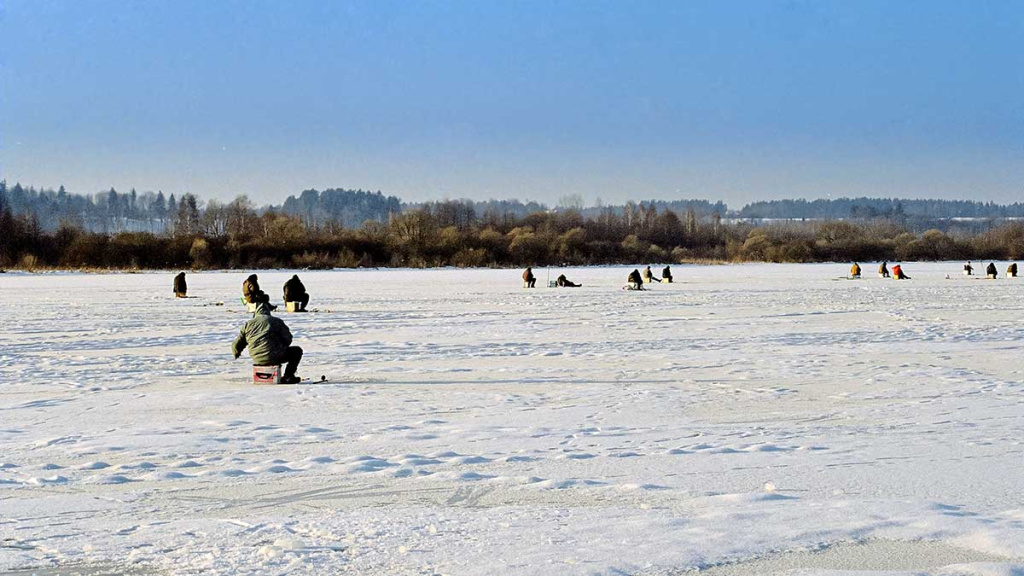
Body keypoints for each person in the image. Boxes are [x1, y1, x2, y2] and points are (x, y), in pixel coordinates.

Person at [232, 301, 303, 384]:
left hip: (257, 358)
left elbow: (236, 344)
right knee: (297, 351)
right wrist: (282, 346)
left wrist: (236, 353)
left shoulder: (248, 324)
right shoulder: (276, 321)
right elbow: (288, 338)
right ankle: (288, 376)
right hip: (275, 355)